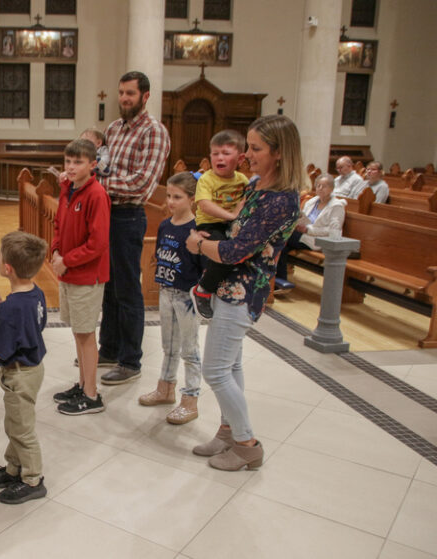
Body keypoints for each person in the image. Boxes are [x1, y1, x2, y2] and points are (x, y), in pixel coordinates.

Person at [185, 115, 302, 471]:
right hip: (227, 284)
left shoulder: (282, 200)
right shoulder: (257, 186)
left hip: (245, 290)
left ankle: (247, 444)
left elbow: (236, 250)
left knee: (216, 370)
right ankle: (227, 431)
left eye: (255, 148)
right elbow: (235, 228)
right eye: (248, 147)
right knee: (231, 364)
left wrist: (197, 245)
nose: (246, 155)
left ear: (279, 153)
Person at [98, 70, 171, 386]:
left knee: (128, 290)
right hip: (106, 214)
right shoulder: (113, 128)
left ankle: (130, 361)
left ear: (145, 96)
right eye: (122, 93)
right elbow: (102, 165)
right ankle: (110, 349)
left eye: (131, 93)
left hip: (128, 217)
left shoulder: (154, 132)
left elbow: (142, 183)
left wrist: (98, 184)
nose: (124, 99)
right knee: (109, 288)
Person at [0, 231, 49, 504]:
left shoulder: (12, 308)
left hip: (19, 373)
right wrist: (0, 307)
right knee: (15, 422)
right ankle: (13, 468)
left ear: (7, 268)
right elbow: (29, 325)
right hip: (33, 369)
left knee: (21, 429)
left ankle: (32, 479)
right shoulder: (34, 293)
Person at [50, 139, 111, 415]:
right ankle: (82, 383)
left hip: (87, 275)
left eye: (78, 162)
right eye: (68, 162)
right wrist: (54, 251)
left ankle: (92, 395)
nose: (71, 167)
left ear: (93, 164)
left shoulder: (96, 194)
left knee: (86, 334)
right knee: (78, 331)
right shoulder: (68, 190)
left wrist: (67, 261)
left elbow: (97, 243)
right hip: (69, 272)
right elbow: (59, 225)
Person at [138, 172, 203, 425]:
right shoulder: (165, 225)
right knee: (169, 345)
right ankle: (165, 388)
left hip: (187, 296)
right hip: (166, 291)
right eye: (169, 196)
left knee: (189, 349)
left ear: (192, 199)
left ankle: (191, 399)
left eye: (178, 197)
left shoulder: (196, 228)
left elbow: (200, 265)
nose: (171, 201)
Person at [188, 130, 248, 319]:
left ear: (240, 158)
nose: (219, 158)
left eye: (226, 153)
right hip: (210, 225)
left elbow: (246, 201)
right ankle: (202, 289)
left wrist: (236, 215)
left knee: (237, 254)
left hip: (231, 224)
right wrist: (231, 215)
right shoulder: (207, 178)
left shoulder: (242, 180)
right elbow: (204, 204)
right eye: (215, 154)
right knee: (225, 253)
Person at [275, 173, 346, 292]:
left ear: (332, 188)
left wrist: (308, 229)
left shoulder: (337, 206)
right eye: (318, 186)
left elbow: (334, 230)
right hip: (303, 235)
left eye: (324, 186)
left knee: (282, 237)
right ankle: (280, 282)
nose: (320, 188)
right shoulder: (312, 201)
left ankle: (278, 280)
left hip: (319, 240)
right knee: (281, 245)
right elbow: (303, 218)